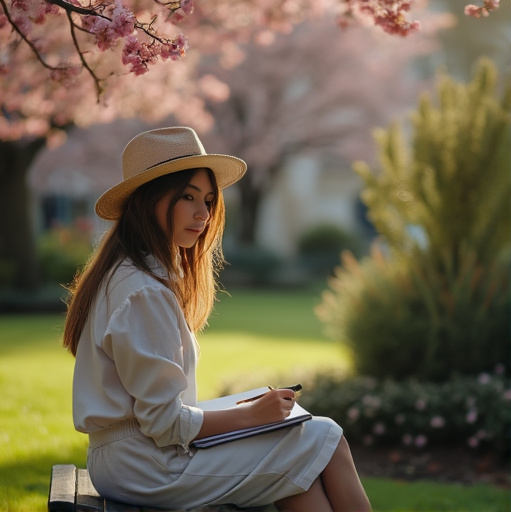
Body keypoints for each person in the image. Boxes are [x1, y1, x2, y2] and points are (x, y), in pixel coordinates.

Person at [63, 126, 371, 512]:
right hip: (146, 466)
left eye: (208, 200)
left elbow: (156, 414)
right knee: (323, 435)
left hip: (136, 457)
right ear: (149, 200)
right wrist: (249, 415)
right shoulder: (143, 291)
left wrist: (247, 412)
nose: (203, 214)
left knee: (300, 459)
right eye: (188, 197)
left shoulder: (131, 274)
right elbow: (163, 423)